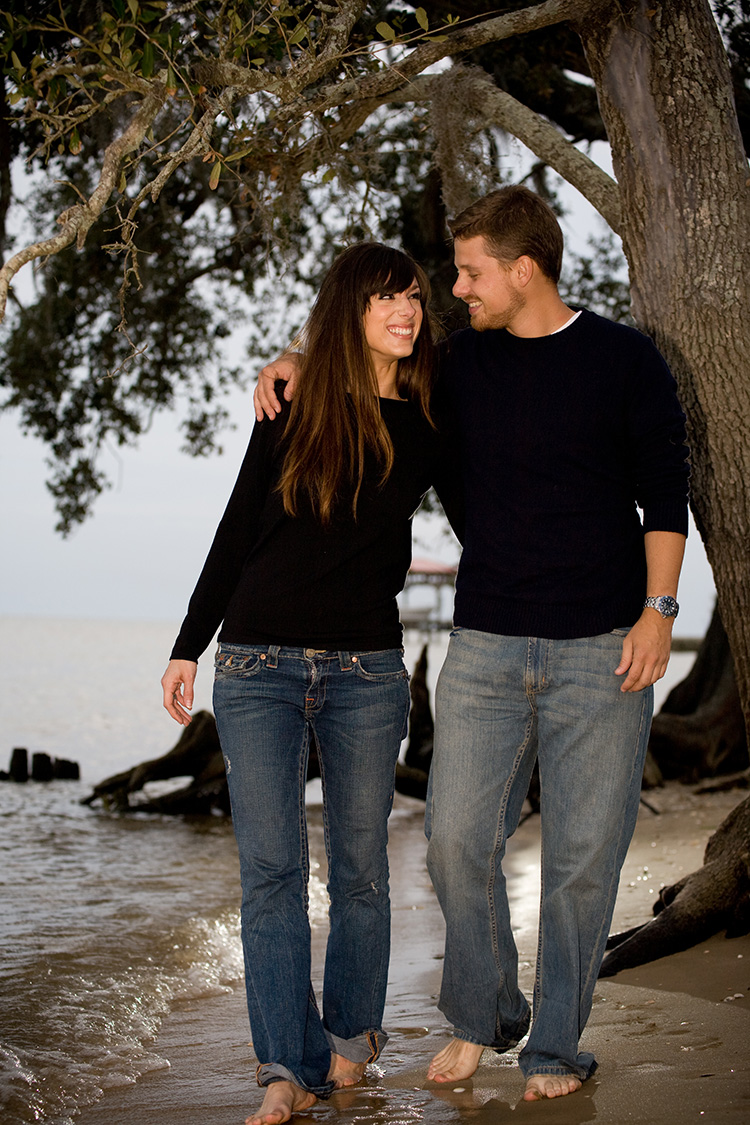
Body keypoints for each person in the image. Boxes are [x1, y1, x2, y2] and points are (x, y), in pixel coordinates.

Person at [253, 186, 690, 1103]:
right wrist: (294, 356)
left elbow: (663, 489)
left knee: (582, 860)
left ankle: (556, 1049)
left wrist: (660, 608)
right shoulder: (453, 369)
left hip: (606, 646)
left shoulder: (625, 360)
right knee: (454, 841)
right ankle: (485, 1013)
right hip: (487, 644)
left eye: (471, 271)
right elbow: (362, 363)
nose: (455, 290)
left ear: (523, 268)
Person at [162, 242, 462, 1125]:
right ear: (348, 310)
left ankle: (350, 1041)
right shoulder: (291, 401)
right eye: (384, 299)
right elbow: (236, 528)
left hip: (369, 673)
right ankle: (282, 1067)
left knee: (363, 870)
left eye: (413, 296)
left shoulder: (434, 413)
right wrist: (188, 645)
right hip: (255, 664)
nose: (406, 311)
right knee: (272, 872)